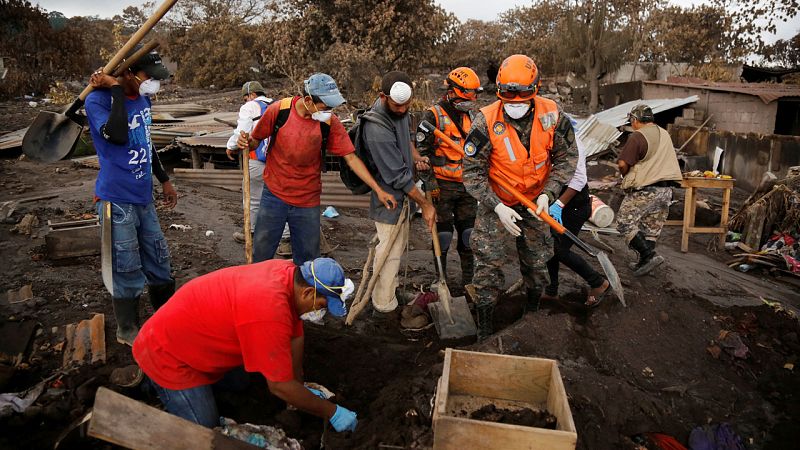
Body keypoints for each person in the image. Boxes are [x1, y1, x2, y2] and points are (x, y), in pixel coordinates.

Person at [132, 257, 358, 432]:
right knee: (206, 431)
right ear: (308, 291)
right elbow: (279, 386)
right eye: (322, 304)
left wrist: (300, 382)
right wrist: (332, 412)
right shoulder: (268, 311)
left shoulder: (288, 274)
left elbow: (295, 335)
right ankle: (151, 385)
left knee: (241, 381)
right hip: (167, 354)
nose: (321, 310)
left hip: (191, 338)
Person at [462, 54, 578, 341]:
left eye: (521, 97)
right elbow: (472, 174)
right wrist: (497, 206)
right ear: (499, 91)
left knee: (538, 261)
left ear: (534, 89)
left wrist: (549, 194)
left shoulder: (552, 114)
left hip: (536, 200)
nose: (514, 103)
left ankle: (533, 315)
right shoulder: (485, 120)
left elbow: (567, 159)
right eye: (508, 97)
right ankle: (485, 327)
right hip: (498, 201)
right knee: (488, 263)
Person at [236, 73, 396, 265]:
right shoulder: (279, 111)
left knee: (308, 261)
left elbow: (351, 158)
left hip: (307, 200)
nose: (329, 111)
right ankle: (258, 292)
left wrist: (378, 190)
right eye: (325, 107)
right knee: (261, 254)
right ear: (308, 100)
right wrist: (246, 141)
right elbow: (255, 141)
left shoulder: (329, 122)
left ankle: (305, 293)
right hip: (275, 195)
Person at [85, 46, 177, 346]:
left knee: (159, 261)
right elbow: (118, 134)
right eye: (148, 76)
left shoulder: (143, 98)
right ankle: (128, 330)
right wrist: (113, 90)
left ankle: (168, 321)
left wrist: (163, 179)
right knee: (125, 268)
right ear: (127, 74)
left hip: (143, 198)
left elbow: (144, 142)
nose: (153, 82)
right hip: (115, 199)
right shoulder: (97, 101)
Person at [362, 71, 436, 316]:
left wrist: (416, 158)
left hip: (404, 193)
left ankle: (389, 290)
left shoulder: (400, 110)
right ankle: (384, 304)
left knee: (396, 246)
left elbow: (407, 140)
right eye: (397, 106)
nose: (403, 110)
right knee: (389, 251)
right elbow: (397, 177)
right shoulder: (376, 126)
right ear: (383, 97)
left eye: (407, 105)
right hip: (388, 198)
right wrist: (425, 204)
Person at [417, 67, 481, 286]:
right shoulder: (433, 115)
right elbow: (421, 154)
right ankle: (441, 280)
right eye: (467, 94)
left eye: (474, 94)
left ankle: (469, 282)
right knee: (442, 236)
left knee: (468, 236)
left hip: (467, 186)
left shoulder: (475, 116)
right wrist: (431, 183)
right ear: (452, 91)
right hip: (441, 186)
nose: (471, 99)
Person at [540, 136, 611, 307]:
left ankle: (598, 283)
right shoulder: (540, 137)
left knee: (559, 250)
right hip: (554, 202)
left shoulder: (570, 140)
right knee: (549, 246)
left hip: (574, 206)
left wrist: (559, 204)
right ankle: (551, 292)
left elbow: (579, 179)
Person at [616, 104, 682, 276]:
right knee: (650, 229)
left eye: (631, 120)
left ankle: (648, 255)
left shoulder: (638, 136)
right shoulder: (664, 133)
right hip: (666, 190)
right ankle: (645, 263)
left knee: (624, 223)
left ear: (635, 120)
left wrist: (625, 175)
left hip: (646, 190)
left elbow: (623, 163)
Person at [225, 81, 288, 247]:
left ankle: (251, 232)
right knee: (283, 198)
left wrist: (230, 146)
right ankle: (286, 240)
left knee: (253, 198)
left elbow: (242, 132)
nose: (245, 101)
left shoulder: (250, 106)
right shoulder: (279, 105)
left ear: (251, 95)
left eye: (245, 98)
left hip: (257, 159)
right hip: (280, 161)